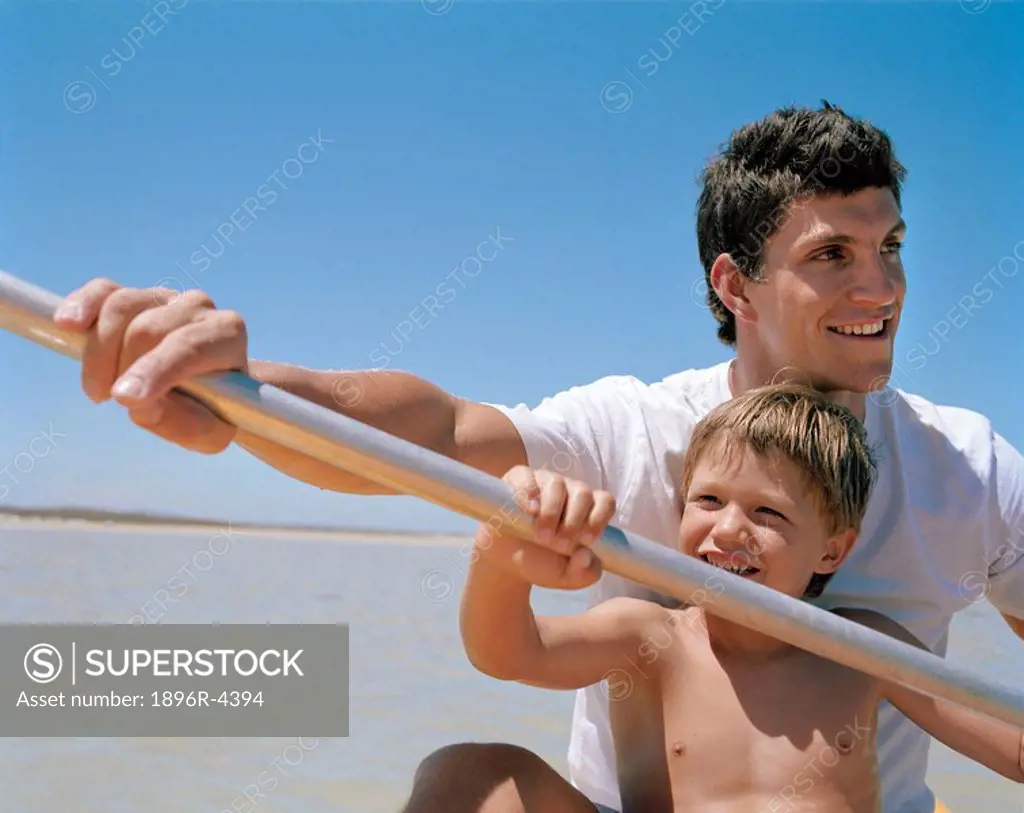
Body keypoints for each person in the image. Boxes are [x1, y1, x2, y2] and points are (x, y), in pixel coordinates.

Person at [50, 101, 1024, 813]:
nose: (881, 284)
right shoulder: (628, 429)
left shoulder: (969, 465)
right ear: (735, 283)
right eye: (833, 255)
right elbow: (432, 432)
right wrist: (244, 393)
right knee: (466, 778)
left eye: (889, 246)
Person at [459, 383, 1024, 812]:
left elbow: (1014, 751)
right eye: (708, 500)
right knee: (470, 771)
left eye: (767, 512)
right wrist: (501, 552)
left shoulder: (862, 647)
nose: (728, 530)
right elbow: (506, 653)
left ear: (832, 551)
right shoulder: (648, 637)